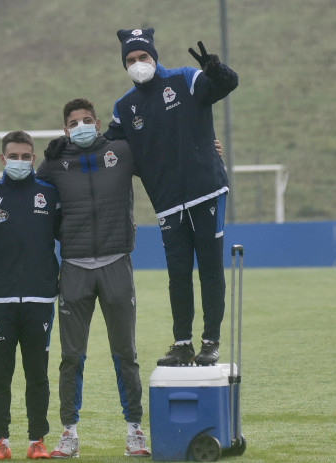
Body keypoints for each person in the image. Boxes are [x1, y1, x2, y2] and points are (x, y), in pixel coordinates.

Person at [0, 99, 150, 458]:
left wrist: (206, 148)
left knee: (126, 353)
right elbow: (24, 187)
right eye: (74, 122)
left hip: (117, 262)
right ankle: (68, 433)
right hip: (73, 268)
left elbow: (163, 158)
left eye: (87, 120)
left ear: (98, 122)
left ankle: (135, 429)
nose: (81, 125)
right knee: (71, 356)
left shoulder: (122, 151)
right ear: (65, 129)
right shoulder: (55, 162)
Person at [104, 28, 239, 366]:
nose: (138, 64)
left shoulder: (186, 79)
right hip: (166, 201)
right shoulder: (124, 107)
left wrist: (216, 69)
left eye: (143, 57)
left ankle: (210, 342)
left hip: (205, 191)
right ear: (124, 64)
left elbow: (225, 86)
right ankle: (182, 344)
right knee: (177, 273)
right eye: (131, 60)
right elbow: (113, 151)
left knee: (209, 268)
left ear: (154, 56)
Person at [0, 131, 61, 461]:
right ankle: (0, 440)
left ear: (34, 158)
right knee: (0, 374)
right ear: (2, 159)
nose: (21, 161)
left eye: (27, 156)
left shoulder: (49, 195)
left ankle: (37, 440)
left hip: (40, 298)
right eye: (14, 156)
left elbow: (62, 233)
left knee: (37, 373)